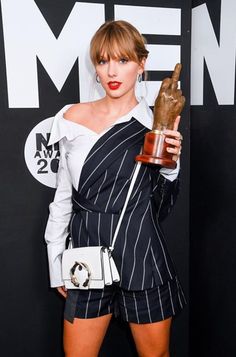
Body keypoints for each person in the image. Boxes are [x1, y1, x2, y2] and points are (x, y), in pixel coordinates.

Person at [45, 20, 186, 357]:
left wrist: (170, 163)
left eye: (123, 60)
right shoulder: (70, 117)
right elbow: (63, 198)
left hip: (141, 254)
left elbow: (160, 206)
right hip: (86, 256)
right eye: (104, 60)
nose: (112, 70)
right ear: (95, 66)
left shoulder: (156, 126)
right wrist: (56, 261)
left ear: (142, 64)